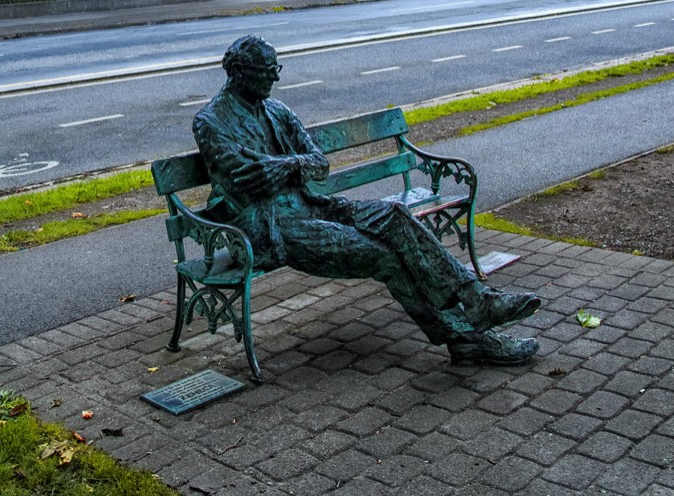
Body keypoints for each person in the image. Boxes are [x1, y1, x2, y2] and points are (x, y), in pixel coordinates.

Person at [193, 35, 541, 365]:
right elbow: (249, 181)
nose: (274, 79)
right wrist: (291, 168)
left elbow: (320, 164)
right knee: (385, 257)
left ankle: (479, 300)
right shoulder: (211, 122)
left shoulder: (277, 111)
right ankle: (468, 340)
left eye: (276, 71)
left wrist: (288, 164)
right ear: (238, 72)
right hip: (271, 230)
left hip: (312, 207)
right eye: (266, 72)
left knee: (395, 215)